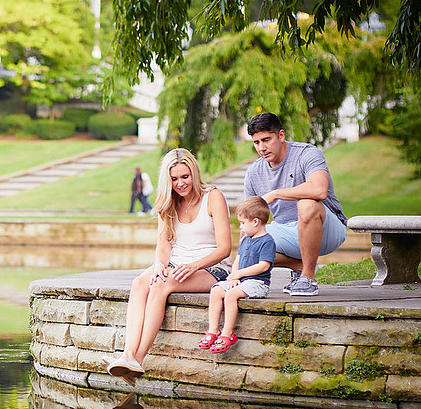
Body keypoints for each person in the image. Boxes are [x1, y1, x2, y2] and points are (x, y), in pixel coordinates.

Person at [106, 149, 232, 385]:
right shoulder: (168, 202)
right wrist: (159, 266)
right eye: (174, 179)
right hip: (177, 264)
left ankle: (137, 360)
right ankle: (128, 354)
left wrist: (194, 265)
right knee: (141, 282)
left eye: (185, 176)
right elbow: (163, 244)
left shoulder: (213, 197)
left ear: (194, 172)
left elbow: (225, 248)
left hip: (212, 268)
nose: (180, 183)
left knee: (160, 286)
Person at [244, 112, 348, 297]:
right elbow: (248, 220)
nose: (262, 148)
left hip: (327, 229)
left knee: (306, 204)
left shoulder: (306, 153)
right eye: (257, 142)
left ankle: (308, 278)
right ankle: (299, 266)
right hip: (286, 230)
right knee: (249, 241)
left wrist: (276, 194)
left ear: (281, 135)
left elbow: (319, 190)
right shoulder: (253, 173)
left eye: (266, 140)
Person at [200, 196, 276, 353]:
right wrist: (234, 275)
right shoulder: (245, 240)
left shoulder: (267, 241)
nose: (240, 227)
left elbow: (263, 266)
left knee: (231, 295)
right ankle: (213, 330)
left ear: (255, 222)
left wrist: (239, 275)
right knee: (216, 290)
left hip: (257, 283)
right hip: (241, 281)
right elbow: (238, 260)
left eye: (243, 223)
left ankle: (227, 333)